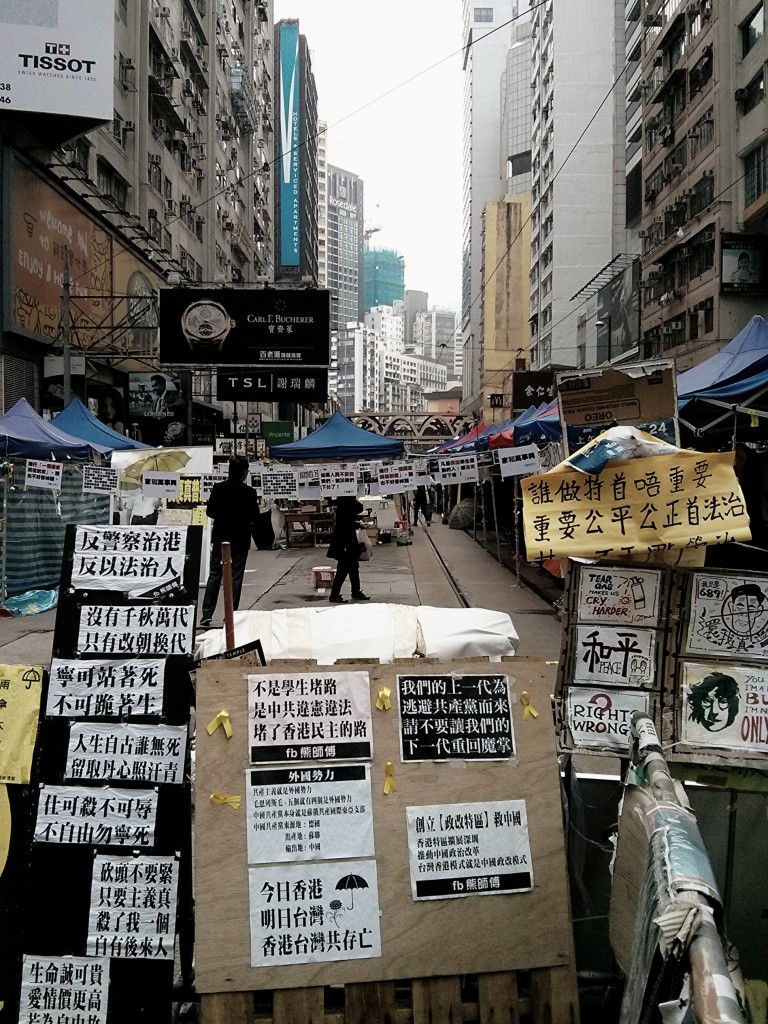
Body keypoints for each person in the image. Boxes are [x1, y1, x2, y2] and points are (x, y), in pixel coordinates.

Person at [200, 455, 260, 627]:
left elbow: (210, 512)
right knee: (235, 576)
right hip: (241, 539)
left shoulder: (218, 488)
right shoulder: (250, 492)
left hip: (221, 537)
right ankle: (230, 614)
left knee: (215, 575)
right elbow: (255, 517)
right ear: (245, 473)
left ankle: (207, 614)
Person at [327, 496, 370, 604]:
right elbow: (357, 509)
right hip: (344, 541)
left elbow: (347, 518)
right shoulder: (346, 500)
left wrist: (357, 524)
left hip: (347, 538)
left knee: (353, 566)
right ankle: (334, 594)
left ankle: (355, 591)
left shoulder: (344, 501)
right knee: (343, 568)